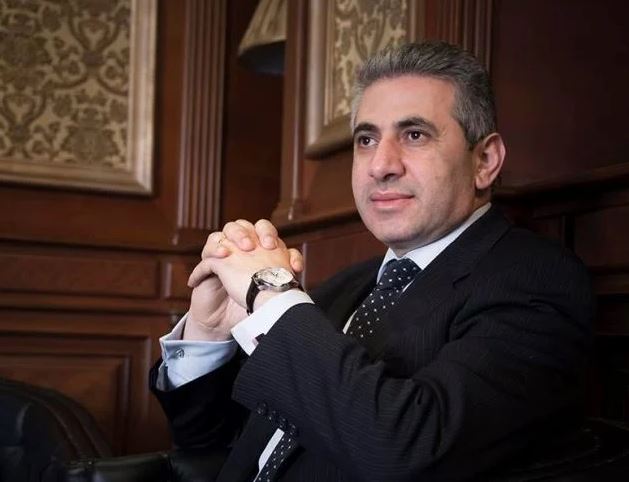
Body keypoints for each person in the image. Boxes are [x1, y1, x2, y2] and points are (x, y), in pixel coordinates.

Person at [151, 41, 593, 481]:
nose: (381, 165)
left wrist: (270, 293)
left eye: (414, 135)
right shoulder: (343, 289)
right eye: (366, 140)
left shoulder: (536, 281)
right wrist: (208, 336)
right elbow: (210, 442)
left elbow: (405, 450)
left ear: (484, 161)